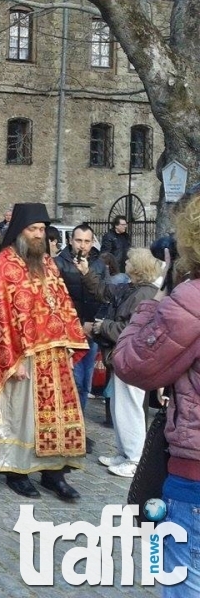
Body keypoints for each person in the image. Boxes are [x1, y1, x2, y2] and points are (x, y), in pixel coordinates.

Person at [0, 203, 87, 502]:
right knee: (22, 417)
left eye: (42, 230)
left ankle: (53, 474)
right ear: (20, 231)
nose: (38, 235)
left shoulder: (47, 262)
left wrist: (70, 344)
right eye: (33, 229)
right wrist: (10, 358)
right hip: (23, 357)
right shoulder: (3, 265)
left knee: (57, 417)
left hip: (55, 355)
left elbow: (62, 302)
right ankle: (17, 472)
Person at [113, 190, 200, 597]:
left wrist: (154, 304)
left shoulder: (191, 300)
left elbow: (133, 364)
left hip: (194, 475)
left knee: (184, 578)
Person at [86, 248, 161, 478]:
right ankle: (124, 453)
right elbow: (106, 293)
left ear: (137, 265)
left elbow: (133, 329)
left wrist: (102, 327)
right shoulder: (134, 289)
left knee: (130, 407)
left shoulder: (145, 294)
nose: (125, 262)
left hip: (134, 356)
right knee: (121, 405)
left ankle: (135, 458)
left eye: (129, 260)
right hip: (124, 354)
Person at [53, 224, 107, 455]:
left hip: (90, 330)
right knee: (71, 381)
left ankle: (78, 428)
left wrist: (95, 322)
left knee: (85, 382)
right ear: (71, 241)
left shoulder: (98, 264)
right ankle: (64, 429)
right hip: (68, 331)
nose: (82, 245)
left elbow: (104, 296)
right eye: (78, 241)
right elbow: (56, 299)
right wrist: (74, 323)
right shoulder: (59, 262)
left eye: (87, 241)